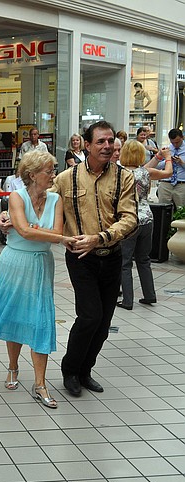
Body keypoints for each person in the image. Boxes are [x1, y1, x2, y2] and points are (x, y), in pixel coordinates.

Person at [0, 151, 74, 409]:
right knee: (16, 316)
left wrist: (40, 232)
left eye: (54, 169)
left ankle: (40, 383)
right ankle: (12, 366)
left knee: (41, 319)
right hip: (15, 262)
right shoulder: (16, 196)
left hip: (41, 264)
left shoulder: (56, 199)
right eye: (49, 171)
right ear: (32, 175)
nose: (53, 175)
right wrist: (49, 235)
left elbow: (53, 232)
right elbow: (24, 231)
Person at [50, 121, 137, 397]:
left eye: (110, 140)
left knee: (103, 322)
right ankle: (70, 370)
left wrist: (99, 238)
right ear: (86, 145)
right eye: (100, 141)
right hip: (80, 258)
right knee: (90, 315)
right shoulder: (66, 178)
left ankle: (86, 370)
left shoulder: (124, 178)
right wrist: (9, 218)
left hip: (111, 256)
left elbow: (130, 219)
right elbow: (40, 205)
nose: (107, 146)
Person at [117, 140, 172, 309]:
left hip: (129, 220)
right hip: (147, 218)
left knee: (125, 262)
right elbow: (168, 173)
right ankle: (150, 295)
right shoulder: (146, 172)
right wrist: (166, 158)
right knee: (144, 259)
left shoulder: (119, 173)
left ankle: (127, 300)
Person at [158, 128, 185, 210]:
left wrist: (181, 163)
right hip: (166, 183)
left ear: (182, 137)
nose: (175, 145)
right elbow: (157, 166)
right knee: (163, 211)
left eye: (177, 142)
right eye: (172, 143)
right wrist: (168, 160)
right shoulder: (166, 149)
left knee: (181, 210)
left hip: (181, 184)